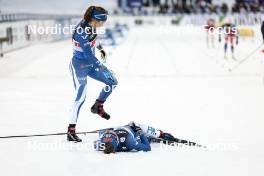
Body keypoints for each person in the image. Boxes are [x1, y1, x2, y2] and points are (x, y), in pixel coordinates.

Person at [67, 6, 118, 142]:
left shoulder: (91, 25)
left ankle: (97, 106)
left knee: (112, 82)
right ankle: (71, 131)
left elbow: (93, 39)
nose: (103, 24)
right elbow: (88, 55)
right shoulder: (81, 31)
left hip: (90, 64)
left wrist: (100, 48)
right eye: (102, 21)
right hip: (80, 66)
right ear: (95, 19)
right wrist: (102, 66)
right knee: (81, 96)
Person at [94, 122, 200, 154]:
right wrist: (140, 132)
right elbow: (147, 148)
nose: (109, 132)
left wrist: (105, 131)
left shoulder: (100, 144)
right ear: (116, 140)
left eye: (108, 133)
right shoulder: (130, 142)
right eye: (111, 133)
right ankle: (162, 135)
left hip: (123, 127)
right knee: (141, 126)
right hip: (133, 131)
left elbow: (101, 137)